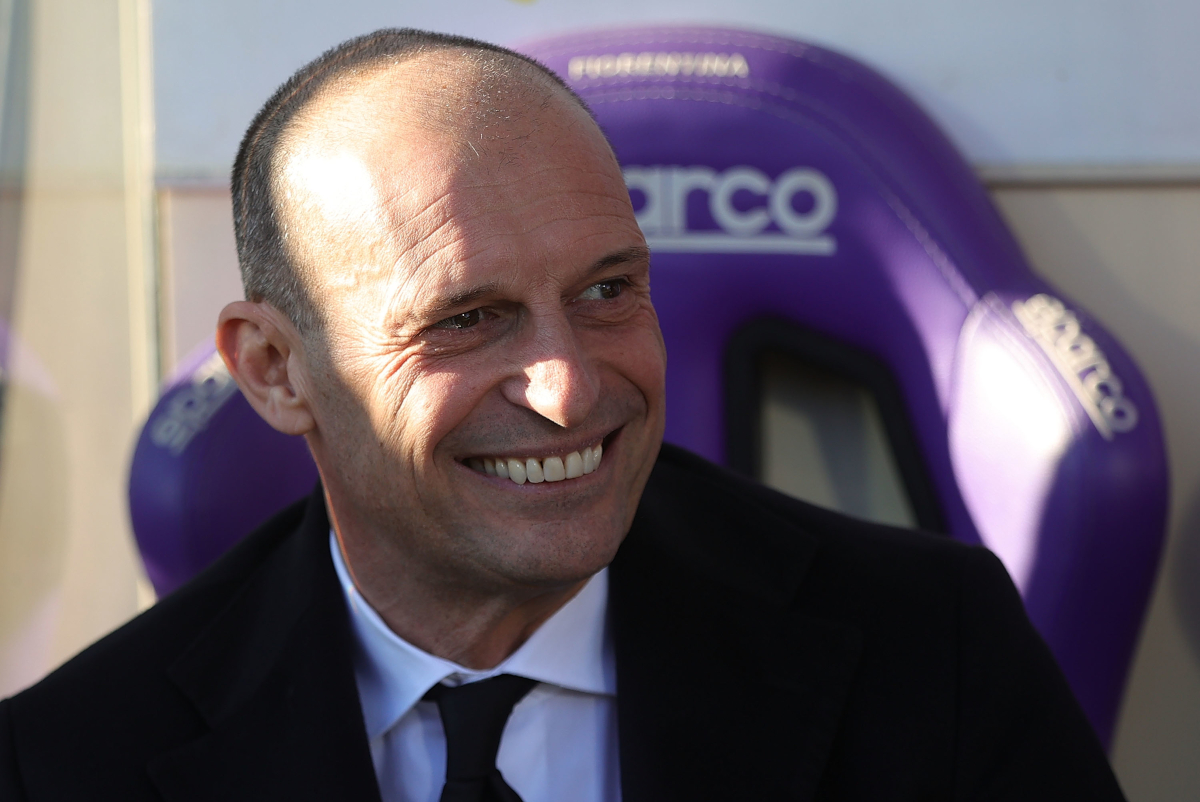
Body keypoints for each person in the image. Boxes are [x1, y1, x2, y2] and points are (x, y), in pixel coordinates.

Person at [0, 28, 1125, 801]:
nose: (571, 386)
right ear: (277, 369)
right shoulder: (71, 763)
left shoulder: (935, 655)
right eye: (468, 318)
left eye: (606, 291)